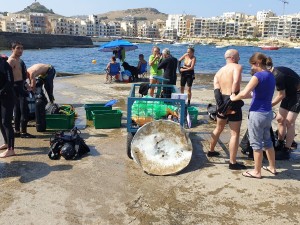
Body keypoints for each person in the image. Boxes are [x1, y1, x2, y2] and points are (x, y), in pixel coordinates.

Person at [230, 52, 277, 178]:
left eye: (252, 65)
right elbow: (258, 93)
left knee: (256, 144)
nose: (251, 68)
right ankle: (272, 167)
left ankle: (256, 171)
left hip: (257, 113)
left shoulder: (257, 76)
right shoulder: (271, 75)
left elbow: (244, 93)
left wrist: (233, 97)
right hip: (267, 113)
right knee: (268, 141)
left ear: (257, 63)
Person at [208, 49, 246, 170]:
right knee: (235, 133)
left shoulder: (219, 72)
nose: (239, 58)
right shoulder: (237, 67)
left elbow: (216, 89)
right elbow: (235, 81)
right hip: (232, 99)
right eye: (238, 56)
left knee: (218, 128)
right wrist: (233, 97)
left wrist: (221, 105)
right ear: (233, 58)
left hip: (221, 100)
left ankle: (211, 150)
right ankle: (233, 162)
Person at [269, 65, 300, 156]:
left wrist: (268, 105)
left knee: (289, 122)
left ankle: (286, 149)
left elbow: (280, 95)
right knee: (280, 119)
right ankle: (280, 142)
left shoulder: (277, 75)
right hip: (289, 93)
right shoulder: (272, 72)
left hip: (298, 94)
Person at [7, 41, 35, 138]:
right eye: (18, 48)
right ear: (12, 49)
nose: (20, 50)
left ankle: (17, 131)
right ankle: (23, 132)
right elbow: (6, 76)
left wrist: (27, 85)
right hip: (15, 88)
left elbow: (21, 77)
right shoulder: (11, 61)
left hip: (21, 85)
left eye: (22, 48)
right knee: (24, 110)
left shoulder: (19, 60)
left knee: (19, 110)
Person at [0, 54, 15, 158]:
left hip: (8, 97)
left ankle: (11, 150)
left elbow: (10, 81)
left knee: (6, 122)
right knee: (1, 121)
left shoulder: (5, 65)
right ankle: (6, 143)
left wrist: (1, 91)